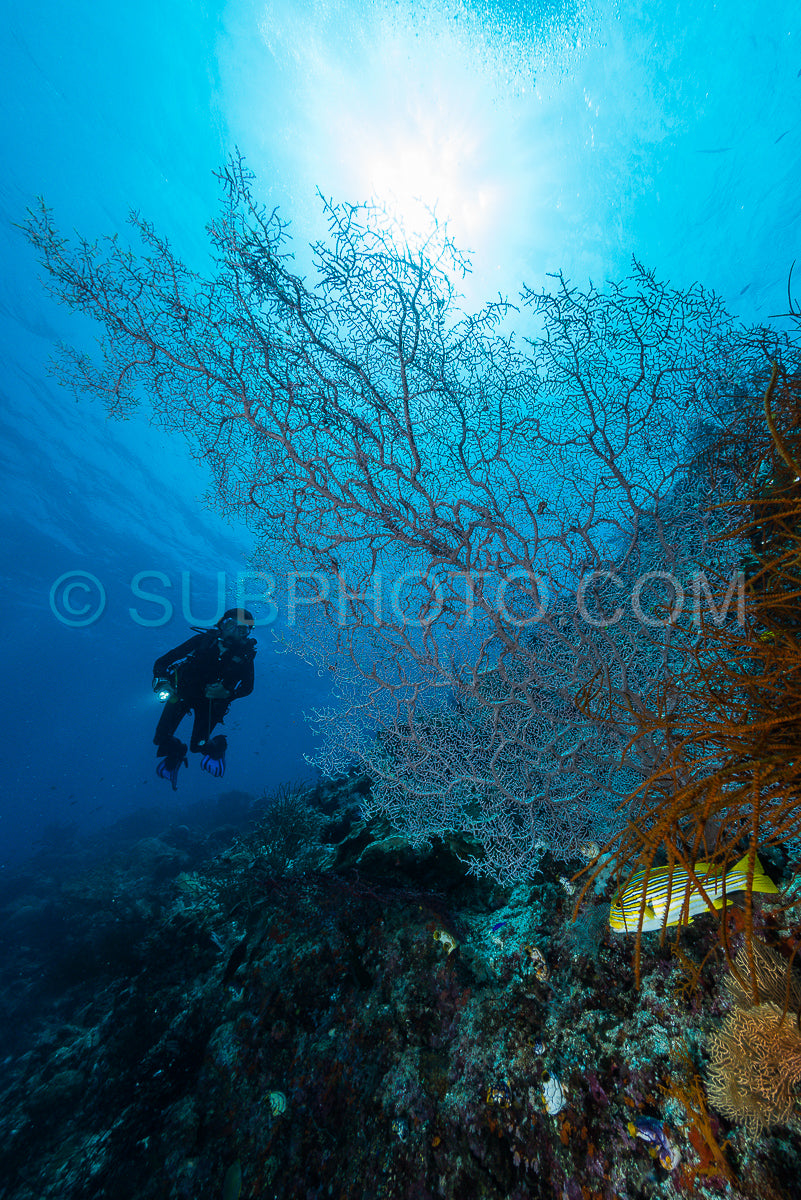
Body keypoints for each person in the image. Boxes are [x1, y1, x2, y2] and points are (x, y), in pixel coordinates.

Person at [152, 608, 256, 789]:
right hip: (182, 695)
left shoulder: (245, 657)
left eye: (241, 630)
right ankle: (176, 753)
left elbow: (248, 688)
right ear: (221, 624)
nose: (234, 632)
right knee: (160, 739)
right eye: (231, 625)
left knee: (198, 746)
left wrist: (227, 694)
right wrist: (162, 682)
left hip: (212, 705)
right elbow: (162, 662)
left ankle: (219, 747)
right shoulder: (202, 641)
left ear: (247, 635)